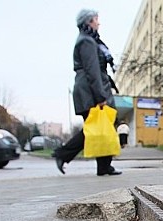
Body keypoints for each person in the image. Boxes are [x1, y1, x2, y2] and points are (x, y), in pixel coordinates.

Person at [54, 9, 121, 176]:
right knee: (96, 129)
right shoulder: (87, 42)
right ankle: (62, 154)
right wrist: (100, 97)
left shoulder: (89, 40)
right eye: (96, 19)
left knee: (101, 128)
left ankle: (104, 166)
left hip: (91, 89)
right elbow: (93, 70)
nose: (98, 23)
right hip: (91, 92)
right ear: (88, 22)